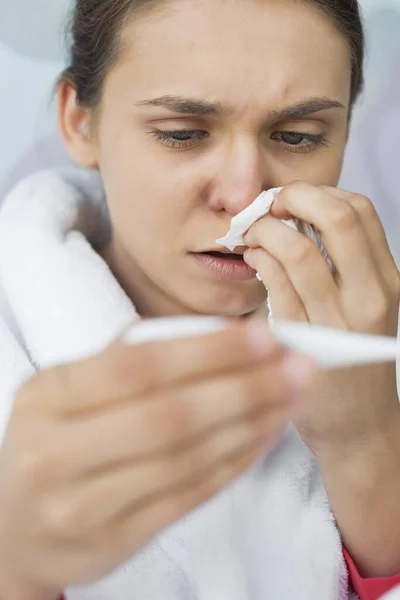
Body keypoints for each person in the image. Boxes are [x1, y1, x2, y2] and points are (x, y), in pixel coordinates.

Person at [0, 0, 399, 599]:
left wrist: (367, 442)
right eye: (182, 134)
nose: (243, 193)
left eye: (299, 136)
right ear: (80, 122)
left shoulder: (377, 344)